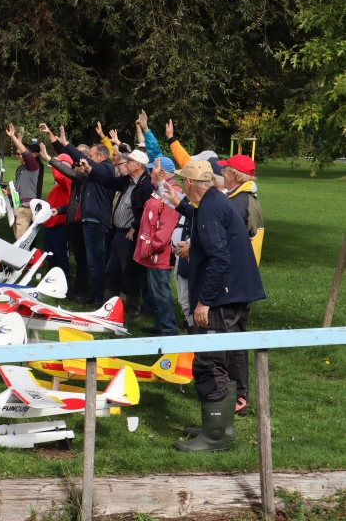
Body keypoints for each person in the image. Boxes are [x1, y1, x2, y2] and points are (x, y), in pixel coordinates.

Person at [171, 160, 265, 452]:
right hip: (237, 292)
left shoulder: (210, 208)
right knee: (223, 355)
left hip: (222, 297)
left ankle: (214, 436)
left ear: (188, 184)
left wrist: (204, 302)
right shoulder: (215, 201)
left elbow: (220, 258)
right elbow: (204, 223)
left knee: (209, 359)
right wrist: (180, 206)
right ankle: (222, 426)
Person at [42, 123, 115, 308]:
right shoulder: (95, 173)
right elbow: (75, 164)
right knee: (89, 261)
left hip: (97, 222)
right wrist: (59, 141)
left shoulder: (105, 170)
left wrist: (51, 156)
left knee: (95, 262)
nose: (85, 160)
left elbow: (72, 168)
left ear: (100, 156)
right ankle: (91, 294)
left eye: (90, 157)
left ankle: (98, 297)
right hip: (87, 221)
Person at [80, 149, 154, 323]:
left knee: (129, 273)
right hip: (119, 233)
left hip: (129, 236)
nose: (125, 164)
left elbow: (147, 209)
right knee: (112, 270)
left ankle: (133, 315)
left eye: (129, 161)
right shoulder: (128, 181)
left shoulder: (146, 184)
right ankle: (107, 310)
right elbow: (107, 181)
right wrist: (90, 169)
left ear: (139, 165)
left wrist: (135, 227)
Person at [134, 157, 181, 335]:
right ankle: (161, 324)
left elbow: (166, 225)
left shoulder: (171, 192)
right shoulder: (159, 190)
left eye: (151, 170)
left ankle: (168, 327)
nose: (148, 173)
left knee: (161, 290)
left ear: (162, 174)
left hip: (159, 252)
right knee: (155, 290)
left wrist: (152, 246)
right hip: (152, 250)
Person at [38, 145, 73, 285]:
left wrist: (50, 159)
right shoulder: (59, 185)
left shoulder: (68, 181)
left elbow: (59, 175)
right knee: (50, 254)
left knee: (61, 255)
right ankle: (51, 280)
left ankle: (65, 282)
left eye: (61, 164)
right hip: (50, 223)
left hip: (59, 223)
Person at [5, 123, 41, 239]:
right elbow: (18, 188)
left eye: (18, 154)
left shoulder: (33, 166)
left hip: (26, 207)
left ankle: (25, 257)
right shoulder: (20, 168)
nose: (17, 156)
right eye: (16, 154)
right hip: (18, 205)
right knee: (18, 237)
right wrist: (9, 192)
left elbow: (25, 153)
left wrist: (13, 137)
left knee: (21, 240)